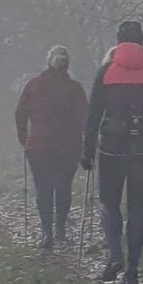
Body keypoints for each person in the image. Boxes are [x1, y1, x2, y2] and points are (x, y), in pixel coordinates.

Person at [82, 22, 143, 284]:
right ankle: (133, 270)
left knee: (108, 202)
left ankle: (115, 255)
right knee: (137, 207)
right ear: (142, 42)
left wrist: (87, 151)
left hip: (111, 148)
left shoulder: (106, 72)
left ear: (118, 41)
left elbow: (93, 113)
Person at [14, 48, 88, 252]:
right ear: (67, 64)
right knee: (63, 188)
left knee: (43, 189)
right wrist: (87, 144)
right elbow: (85, 119)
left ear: (48, 62)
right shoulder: (75, 89)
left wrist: (24, 139)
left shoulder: (34, 85)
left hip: (38, 146)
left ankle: (46, 232)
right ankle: (61, 231)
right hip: (68, 147)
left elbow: (20, 113)